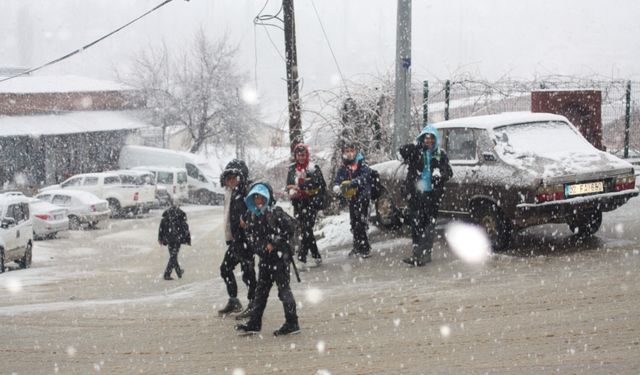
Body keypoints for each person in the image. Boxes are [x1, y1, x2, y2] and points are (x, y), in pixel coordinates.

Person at [235, 182, 300, 336]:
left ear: (268, 198)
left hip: (278, 258)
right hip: (265, 259)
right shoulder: (253, 215)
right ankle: (254, 323)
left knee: (283, 291)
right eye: (256, 197)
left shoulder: (275, 213)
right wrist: (258, 247)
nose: (259, 200)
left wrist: (274, 242)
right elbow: (252, 236)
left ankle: (292, 322)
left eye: (262, 197)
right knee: (261, 292)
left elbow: (292, 227)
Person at [399, 124, 452, 266]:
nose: (429, 141)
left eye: (431, 138)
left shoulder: (440, 154)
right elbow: (402, 151)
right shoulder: (417, 152)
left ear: (435, 140)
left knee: (428, 226)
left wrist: (440, 175)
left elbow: (449, 172)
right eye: (426, 138)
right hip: (417, 195)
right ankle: (417, 254)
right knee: (417, 225)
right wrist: (416, 146)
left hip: (432, 196)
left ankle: (425, 254)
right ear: (422, 138)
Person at [217, 159, 257, 318]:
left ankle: (254, 303)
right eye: (229, 177)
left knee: (248, 272)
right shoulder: (230, 192)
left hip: (246, 240)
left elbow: (257, 209)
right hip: (236, 241)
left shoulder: (247, 192)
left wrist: (247, 220)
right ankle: (234, 300)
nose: (232, 180)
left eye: (235, 177)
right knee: (225, 269)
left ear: (242, 177)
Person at [286, 143, 325, 267]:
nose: (301, 157)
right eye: (298, 155)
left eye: (303, 155)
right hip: (298, 204)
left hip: (311, 203)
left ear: (306, 155)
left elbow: (320, 185)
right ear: (296, 155)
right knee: (305, 230)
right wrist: (291, 191)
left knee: (306, 230)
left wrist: (303, 186)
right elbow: (289, 185)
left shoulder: (313, 168)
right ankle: (316, 256)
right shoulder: (292, 169)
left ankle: (302, 258)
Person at [332, 142, 373, 258]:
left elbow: (365, 177)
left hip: (363, 196)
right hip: (352, 198)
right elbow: (338, 179)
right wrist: (336, 186)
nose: (350, 154)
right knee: (354, 222)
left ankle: (365, 248)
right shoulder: (343, 166)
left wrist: (352, 183)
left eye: (352, 151)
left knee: (361, 222)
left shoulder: (361, 163)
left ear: (355, 152)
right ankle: (356, 246)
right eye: (347, 151)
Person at [158, 201, 191, 280]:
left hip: (168, 239)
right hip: (177, 239)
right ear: (178, 206)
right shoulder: (180, 215)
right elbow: (185, 228)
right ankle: (167, 274)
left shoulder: (166, 215)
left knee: (173, 256)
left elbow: (161, 227)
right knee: (173, 256)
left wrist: (160, 238)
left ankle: (178, 271)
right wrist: (186, 238)